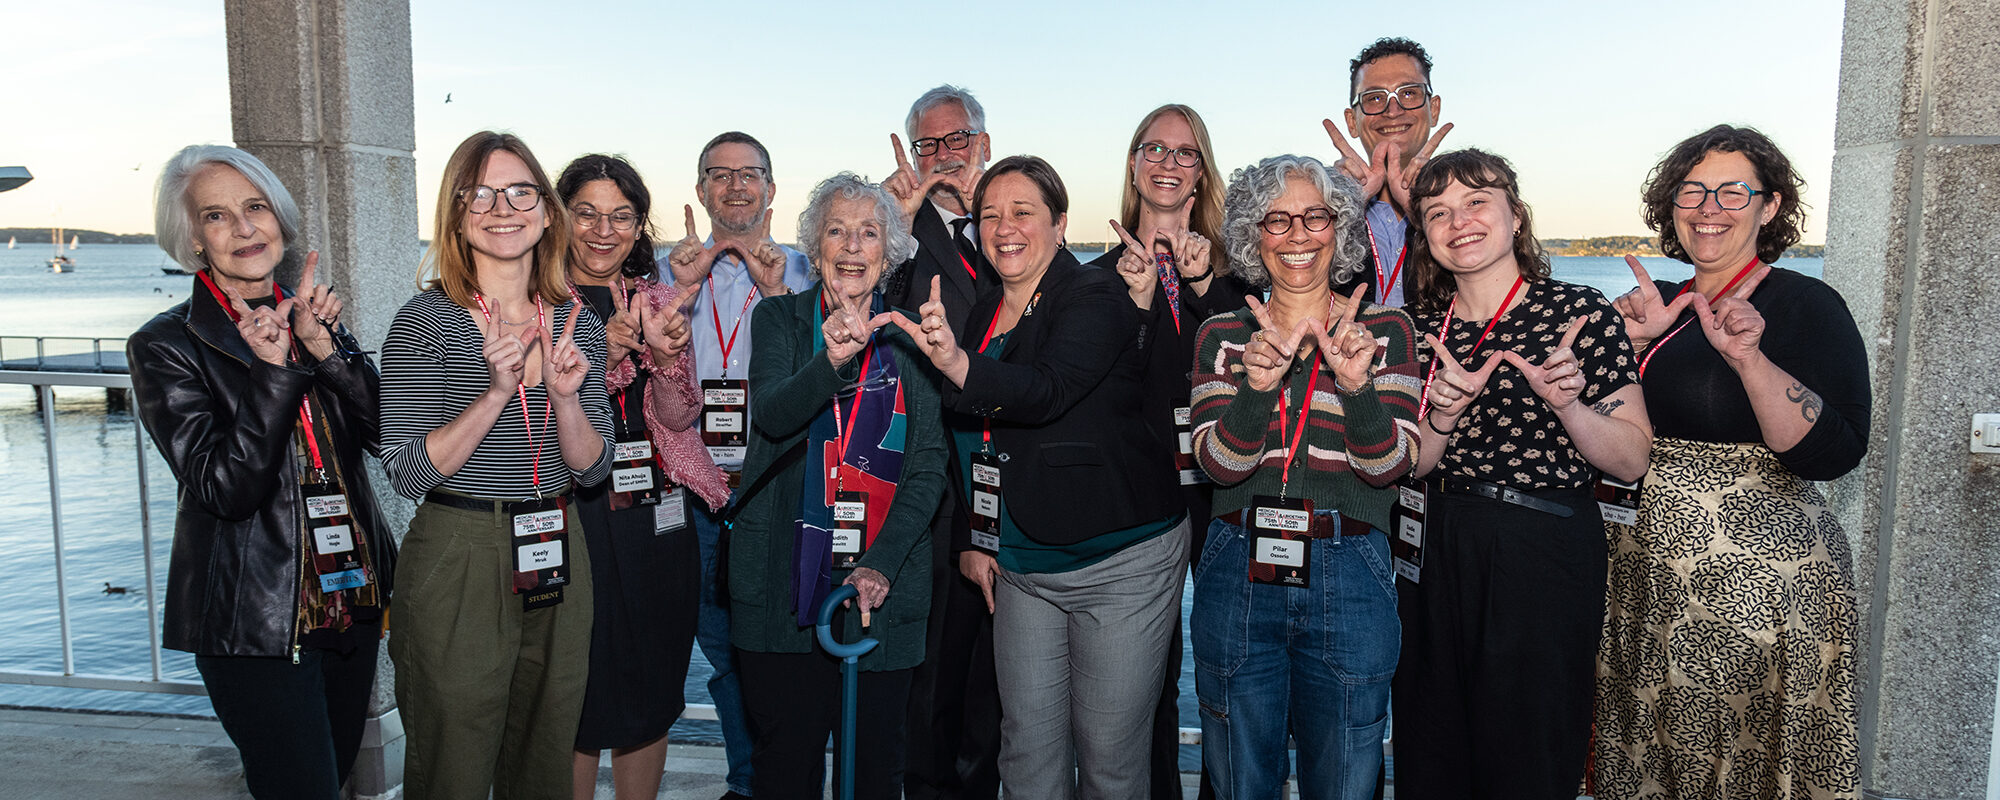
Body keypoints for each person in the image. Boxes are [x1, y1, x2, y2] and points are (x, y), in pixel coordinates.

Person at [889, 155, 1188, 800]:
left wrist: (958, 365)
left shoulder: (1095, 295)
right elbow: (973, 438)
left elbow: (1046, 390)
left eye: (1022, 212)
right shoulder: (983, 311)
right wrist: (974, 537)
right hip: (1022, 562)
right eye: (990, 215)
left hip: (1118, 559)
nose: (1004, 228)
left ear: (1059, 223)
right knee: (1025, 754)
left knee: (1108, 762)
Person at [1595, 124, 1867, 799]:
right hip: (1644, 577)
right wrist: (1630, 345)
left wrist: (1749, 359)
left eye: (1733, 191)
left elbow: (1838, 451)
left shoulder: (1804, 305)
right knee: (1649, 762)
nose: (1709, 207)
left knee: (1734, 768)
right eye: (1692, 190)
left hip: (1757, 592)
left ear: (1770, 207)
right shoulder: (1659, 303)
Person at [129, 144, 393, 800]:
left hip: (348, 596)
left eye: (256, 207)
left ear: (279, 217)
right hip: (256, 618)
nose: (245, 228)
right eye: (217, 215)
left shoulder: (311, 318)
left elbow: (389, 438)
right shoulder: (165, 346)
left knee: (331, 777)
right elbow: (225, 488)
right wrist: (274, 373)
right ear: (194, 238)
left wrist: (326, 350)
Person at [1392, 148, 1653, 799]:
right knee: (1431, 749)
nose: (1459, 221)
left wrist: (1570, 406)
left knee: (1529, 754)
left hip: (1540, 549)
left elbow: (1631, 458)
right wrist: (1442, 416)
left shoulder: (1580, 314)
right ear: (1425, 236)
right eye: (1438, 212)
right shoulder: (1415, 329)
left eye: (1476, 202)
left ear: (1515, 216)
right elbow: (1410, 463)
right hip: (1431, 545)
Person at [378, 131, 613, 799]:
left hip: (557, 545)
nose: (502, 208)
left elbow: (593, 470)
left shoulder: (578, 323)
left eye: (519, 192)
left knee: (545, 757)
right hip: (462, 549)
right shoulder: (425, 323)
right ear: (456, 215)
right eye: (479, 193)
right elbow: (405, 472)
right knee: (453, 764)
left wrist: (564, 400)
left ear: (546, 212)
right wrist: (495, 395)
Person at [1187, 154, 1421, 799]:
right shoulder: (1222, 335)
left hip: (1353, 565)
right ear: (1253, 235)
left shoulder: (1386, 331)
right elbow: (1217, 464)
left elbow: (1390, 467)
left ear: (1340, 229)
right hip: (1237, 560)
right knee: (1240, 777)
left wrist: (1358, 389)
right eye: (1277, 219)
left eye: (1316, 217)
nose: (1298, 234)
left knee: (1345, 777)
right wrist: (1256, 390)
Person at [730, 172, 947, 800]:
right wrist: (831, 361)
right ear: (814, 246)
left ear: (889, 250)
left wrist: (880, 564)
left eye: (869, 233)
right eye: (836, 231)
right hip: (781, 584)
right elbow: (774, 414)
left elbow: (928, 465)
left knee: (875, 771)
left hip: (884, 587)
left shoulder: (913, 337)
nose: (852, 246)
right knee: (784, 767)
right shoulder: (779, 318)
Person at [556, 154, 730, 800]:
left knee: (654, 684)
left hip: (658, 514)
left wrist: (663, 355)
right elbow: (538, 416)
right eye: (587, 214)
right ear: (560, 219)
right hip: (577, 513)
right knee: (578, 690)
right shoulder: (541, 304)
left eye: (621, 216)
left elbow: (679, 417)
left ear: (638, 226)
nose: (604, 231)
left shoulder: (658, 298)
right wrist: (604, 352)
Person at [1092, 102, 1244, 800]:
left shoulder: (1235, 274)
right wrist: (1137, 303)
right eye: (1154, 148)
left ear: (1200, 172)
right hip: (1136, 489)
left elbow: (1252, 365)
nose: (1168, 162)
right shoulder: (1095, 278)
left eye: (1185, 152)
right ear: (1133, 164)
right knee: (1142, 675)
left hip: (1222, 486)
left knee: (1228, 660)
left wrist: (1206, 286)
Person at [658, 131, 815, 800]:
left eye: (749, 173)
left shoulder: (810, 270)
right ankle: (749, 783)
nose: (735, 186)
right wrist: (680, 293)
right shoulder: (666, 273)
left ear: (771, 188)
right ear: (700, 191)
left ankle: (786, 781)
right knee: (720, 652)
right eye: (719, 175)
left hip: (777, 490)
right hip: (693, 492)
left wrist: (776, 292)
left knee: (781, 648)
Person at [881, 85, 1005, 800]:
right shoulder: (896, 231)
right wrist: (896, 230)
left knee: (999, 670)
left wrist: (994, 215)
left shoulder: (1013, 217)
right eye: (929, 145)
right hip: (932, 483)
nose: (945, 156)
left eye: (958, 140)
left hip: (1011, 474)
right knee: (932, 670)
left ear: (983, 143)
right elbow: (864, 312)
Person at [1323, 36, 1453, 309]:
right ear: (1352, 122)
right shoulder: (1321, 208)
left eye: (1409, 93)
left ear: (1434, 109)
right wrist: (1341, 210)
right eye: (1374, 98)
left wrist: (1425, 215)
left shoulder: (1472, 204)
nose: (1393, 110)